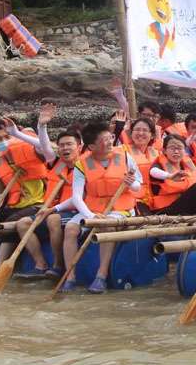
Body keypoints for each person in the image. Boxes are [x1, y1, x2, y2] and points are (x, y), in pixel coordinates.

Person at [60, 122, 140, 293]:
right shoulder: (81, 164)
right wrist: (90, 215)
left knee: (107, 226)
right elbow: (76, 196)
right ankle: (70, 276)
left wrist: (132, 183)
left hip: (120, 209)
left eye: (110, 137)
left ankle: (101, 276)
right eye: (105, 140)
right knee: (70, 228)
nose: (110, 142)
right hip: (93, 209)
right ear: (92, 146)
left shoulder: (125, 156)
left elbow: (138, 187)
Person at [0, 110, 55, 274]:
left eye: (7, 137)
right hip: (16, 204)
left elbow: (46, 148)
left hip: (39, 203)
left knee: (11, 221)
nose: (3, 142)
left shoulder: (32, 150)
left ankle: (1, 266)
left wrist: (26, 132)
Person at [14, 129, 81, 279]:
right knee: (22, 223)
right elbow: (43, 146)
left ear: (79, 147)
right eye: (61, 145)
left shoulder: (85, 165)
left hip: (75, 212)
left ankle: (58, 265)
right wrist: (42, 126)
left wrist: (53, 209)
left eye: (69, 144)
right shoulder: (56, 164)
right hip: (52, 210)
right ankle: (41, 264)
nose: (65, 148)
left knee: (53, 219)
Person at [147, 134, 196, 215]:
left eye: (179, 148)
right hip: (165, 209)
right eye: (172, 148)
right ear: (164, 150)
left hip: (184, 205)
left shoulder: (186, 164)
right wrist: (170, 176)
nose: (176, 151)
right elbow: (153, 172)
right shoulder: (159, 165)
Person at [122, 117, 160, 215]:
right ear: (131, 133)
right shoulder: (122, 152)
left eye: (145, 130)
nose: (140, 133)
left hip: (154, 200)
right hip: (133, 200)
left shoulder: (158, 153)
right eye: (137, 130)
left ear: (152, 135)